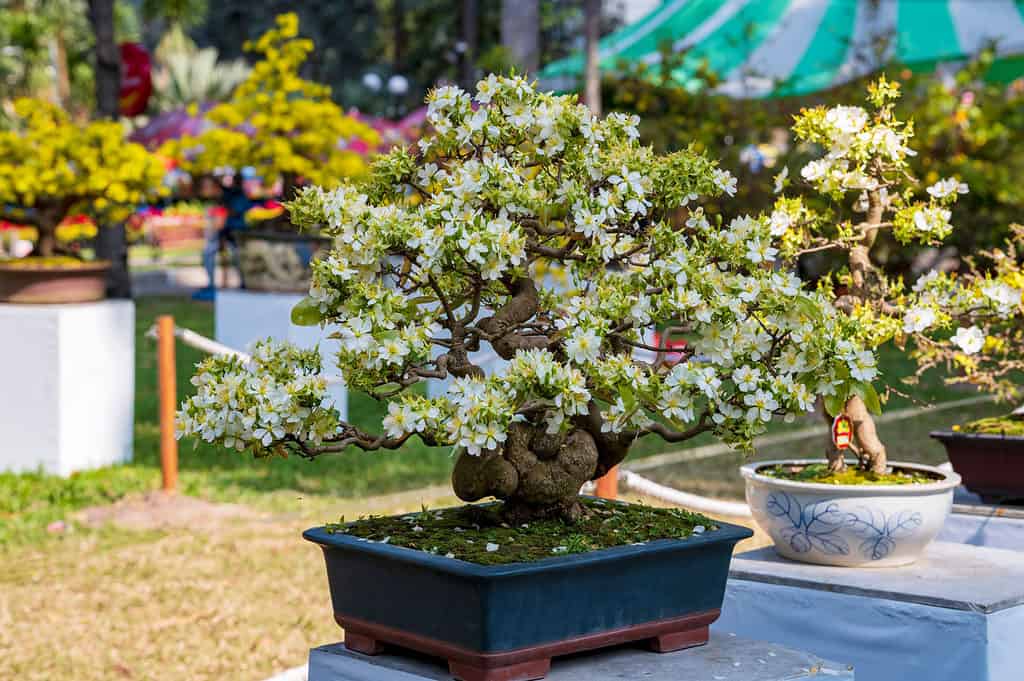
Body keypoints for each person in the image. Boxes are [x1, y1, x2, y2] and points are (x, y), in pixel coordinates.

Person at [192, 170, 253, 300]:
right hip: (221, 234)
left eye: (206, 187)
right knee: (208, 252)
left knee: (237, 255)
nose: (204, 190)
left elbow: (230, 216)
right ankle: (211, 285)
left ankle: (244, 283)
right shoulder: (216, 200)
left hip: (235, 233)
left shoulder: (233, 196)